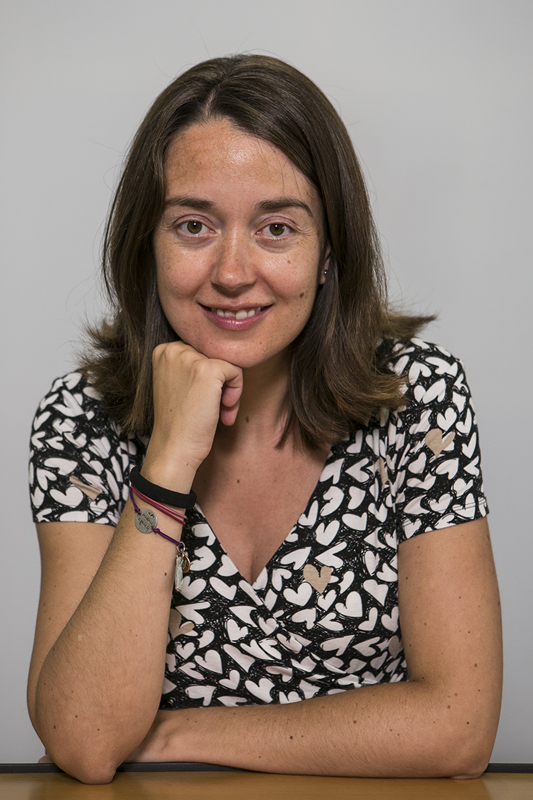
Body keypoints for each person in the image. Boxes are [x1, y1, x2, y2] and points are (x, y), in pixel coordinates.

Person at [27, 54, 502, 785]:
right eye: (193, 225)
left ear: (328, 252)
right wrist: (167, 464)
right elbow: (86, 741)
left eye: (276, 229)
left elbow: (458, 729)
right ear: (147, 243)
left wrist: (173, 733)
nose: (231, 272)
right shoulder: (80, 420)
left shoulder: (416, 398)